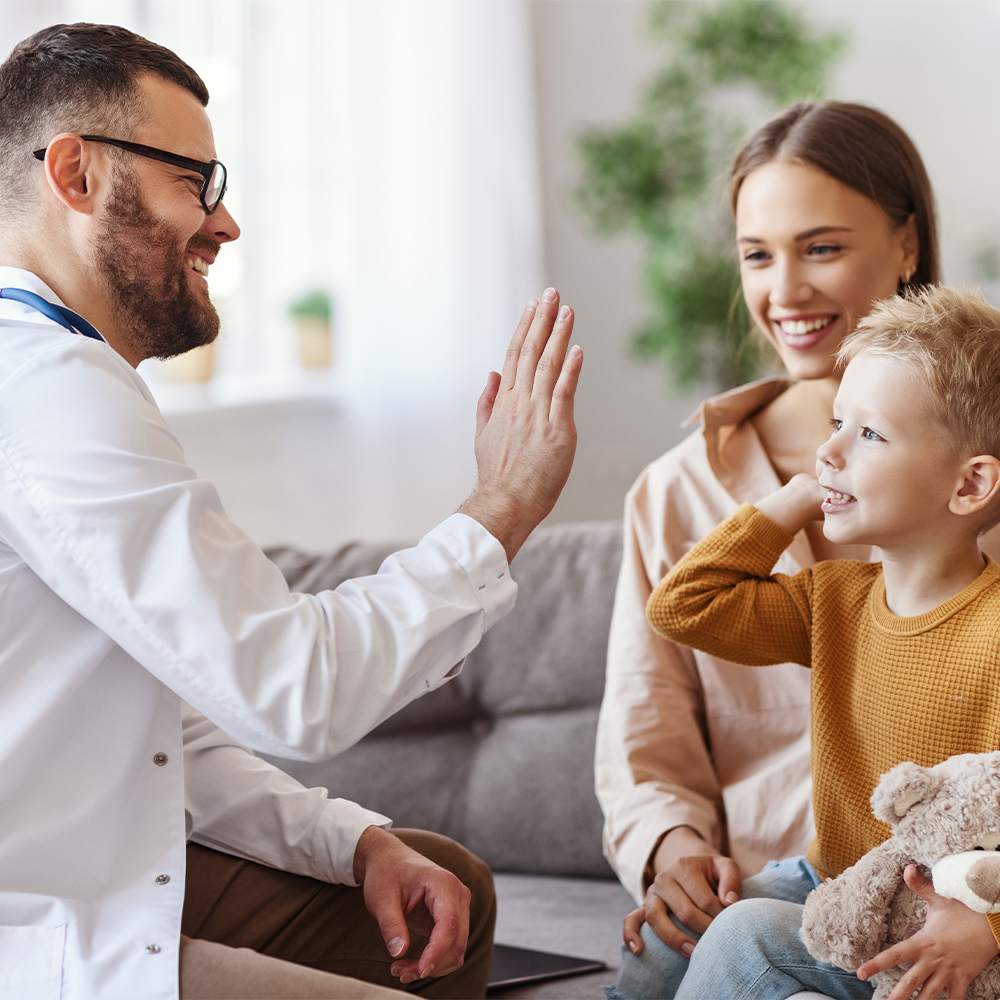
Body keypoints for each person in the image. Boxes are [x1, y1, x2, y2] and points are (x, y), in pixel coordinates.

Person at [0, 22, 583, 1000]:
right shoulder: (50, 393)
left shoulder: (60, 375)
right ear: (76, 174)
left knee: (449, 879)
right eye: (198, 181)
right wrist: (505, 504)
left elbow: (161, 718)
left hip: (64, 866)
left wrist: (355, 841)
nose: (225, 225)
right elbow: (293, 686)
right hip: (36, 926)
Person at [596, 99, 1000, 995]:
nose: (784, 291)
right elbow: (644, 738)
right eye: (756, 254)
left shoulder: (980, 467)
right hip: (774, 882)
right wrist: (674, 850)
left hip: (947, 893)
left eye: (821, 247)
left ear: (906, 244)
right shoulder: (677, 493)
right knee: (690, 948)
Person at [643, 284, 1000, 1000]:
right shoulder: (833, 598)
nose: (828, 451)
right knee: (669, 935)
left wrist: (990, 928)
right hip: (835, 875)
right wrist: (790, 501)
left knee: (741, 937)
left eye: (868, 435)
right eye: (836, 423)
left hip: (947, 911)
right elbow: (682, 607)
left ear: (970, 485)